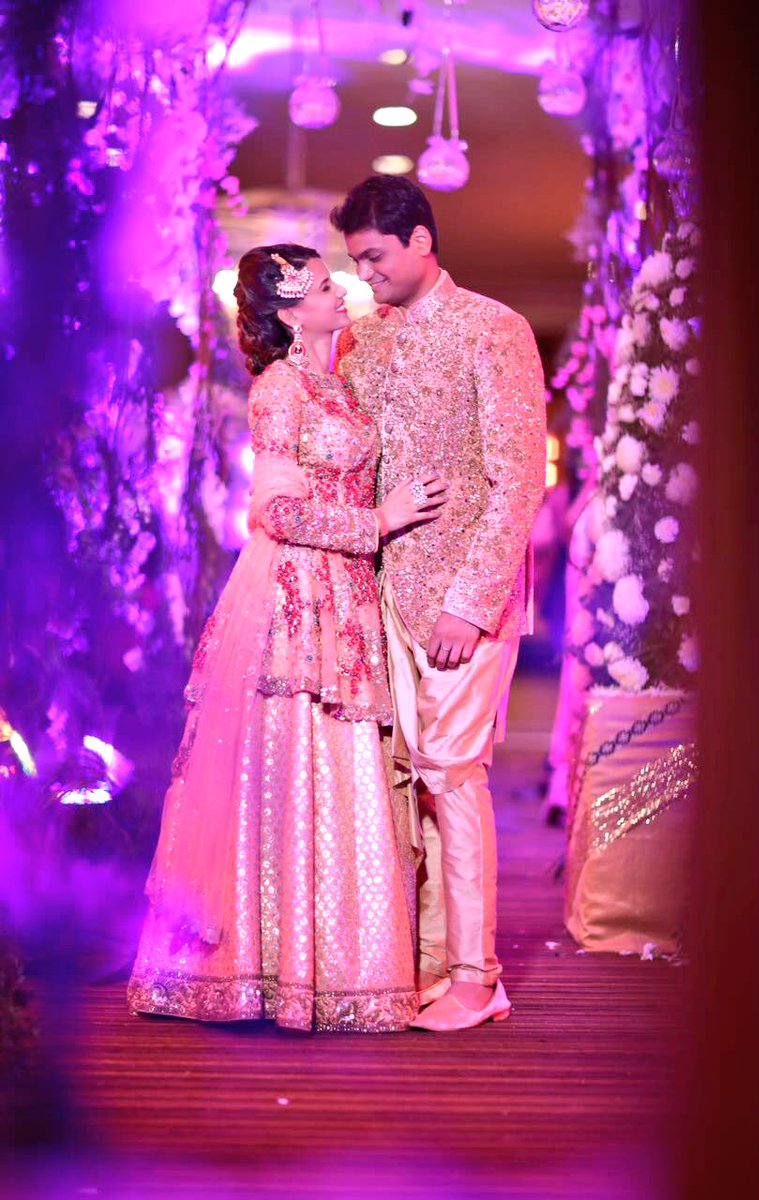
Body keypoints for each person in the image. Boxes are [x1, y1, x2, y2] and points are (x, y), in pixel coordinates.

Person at [128, 244, 448, 1033]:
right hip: (296, 595)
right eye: (323, 283)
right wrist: (379, 521)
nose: (341, 290)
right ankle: (265, 971)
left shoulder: (338, 384)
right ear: (287, 309)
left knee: (341, 771)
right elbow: (275, 512)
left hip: (346, 593)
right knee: (291, 770)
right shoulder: (279, 388)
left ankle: (338, 971)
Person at [332, 177, 547, 1031]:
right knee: (405, 784)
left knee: (452, 778)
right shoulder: (364, 341)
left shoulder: (494, 328)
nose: (365, 275)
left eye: (374, 257)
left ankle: (475, 977)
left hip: (464, 602)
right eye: (354, 262)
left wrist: (470, 601)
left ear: (420, 240)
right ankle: (422, 961)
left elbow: (518, 480)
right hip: (382, 595)